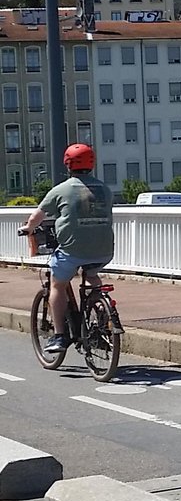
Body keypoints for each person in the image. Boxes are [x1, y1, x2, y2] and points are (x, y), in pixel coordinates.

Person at [24, 144, 114, 353]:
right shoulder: (104, 189)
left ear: (68, 164)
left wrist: (29, 228)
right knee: (92, 275)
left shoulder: (62, 189)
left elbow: (37, 216)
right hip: (104, 250)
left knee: (57, 285)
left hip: (73, 251)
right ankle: (102, 315)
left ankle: (59, 336)